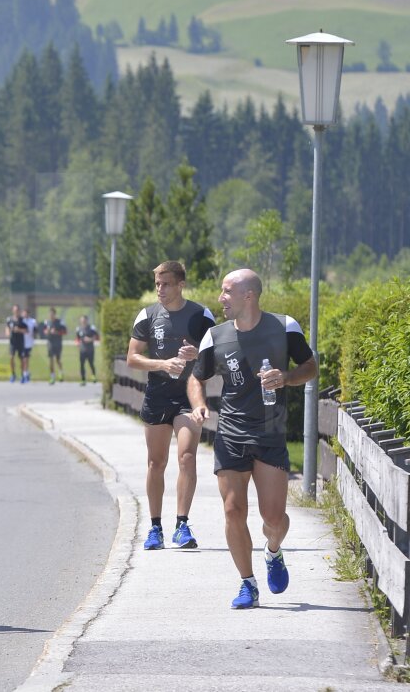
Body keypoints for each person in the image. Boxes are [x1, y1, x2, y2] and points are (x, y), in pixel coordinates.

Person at [188, 269, 317, 609]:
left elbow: (310, 366)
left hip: (270, 432)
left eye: (227, 291)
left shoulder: (284, 327)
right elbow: (195, 378)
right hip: (230, 431)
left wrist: (287, 377)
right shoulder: (215, 337)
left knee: (274, 519)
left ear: (249, 295)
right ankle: (247, 584)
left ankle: (273, 551)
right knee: (233, 510)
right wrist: (200, 406)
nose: (221, 298)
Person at [127, 261, 216, 551]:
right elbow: (133, 358)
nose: (160, 290)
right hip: (157, 396)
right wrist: (162, 363)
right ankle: (155, 527)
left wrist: (198, 355)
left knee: (187, 457)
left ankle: (182, 524)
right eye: (157, 284)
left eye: (165, 284)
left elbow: (219, 359)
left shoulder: (201, 315)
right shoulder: (148, 315)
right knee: (156, 463)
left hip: (189, 397)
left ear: (180, 285)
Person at [44, 307, 67, 384]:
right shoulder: (47, 322)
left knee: (58, 360)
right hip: (50, 343)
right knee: (51, 360)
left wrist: (56, 332)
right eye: (50, 314)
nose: (51, 315)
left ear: (55, 314)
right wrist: (48, 331)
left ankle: (60, 372)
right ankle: (52, 376)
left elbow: (65, 332)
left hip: (58, 343)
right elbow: (44, 331)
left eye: (52, 314)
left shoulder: (60, 322)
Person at [74, 315, 99, 385]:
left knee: (91, 363)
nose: (83, 322)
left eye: (84, 320)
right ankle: (83, 379)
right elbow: (77, 338)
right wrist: (77, 343)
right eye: (82, 321)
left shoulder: (91, 328)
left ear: (87, 320)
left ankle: (93, 376)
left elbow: (96, 337)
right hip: (82, 349)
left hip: (90, 349)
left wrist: (90, 339)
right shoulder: (79, 329)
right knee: (82, 364)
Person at [16, 308, 37, 383]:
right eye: (24, 313)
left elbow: (35, 331)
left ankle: (25, 374)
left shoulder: (33, 321)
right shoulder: (21, 321)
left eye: (26, 313)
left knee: (26, 359)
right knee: (22, 359)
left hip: (28, 342)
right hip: (21, 342)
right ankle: (25, 373)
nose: (25, 315)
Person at [5, 304, 23, 382]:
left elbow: (26, 330)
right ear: (13, 311)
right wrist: (8, 333)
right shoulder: (9, 319)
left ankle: (22, 374)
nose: (16, 312)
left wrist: (19, 330)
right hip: (13, 342)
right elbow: (7, 328)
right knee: (11, 357)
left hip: (20, 341)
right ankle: (13, 374)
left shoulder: (22, 320)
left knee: (21, 359)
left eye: (17, 310)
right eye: (15, 310)